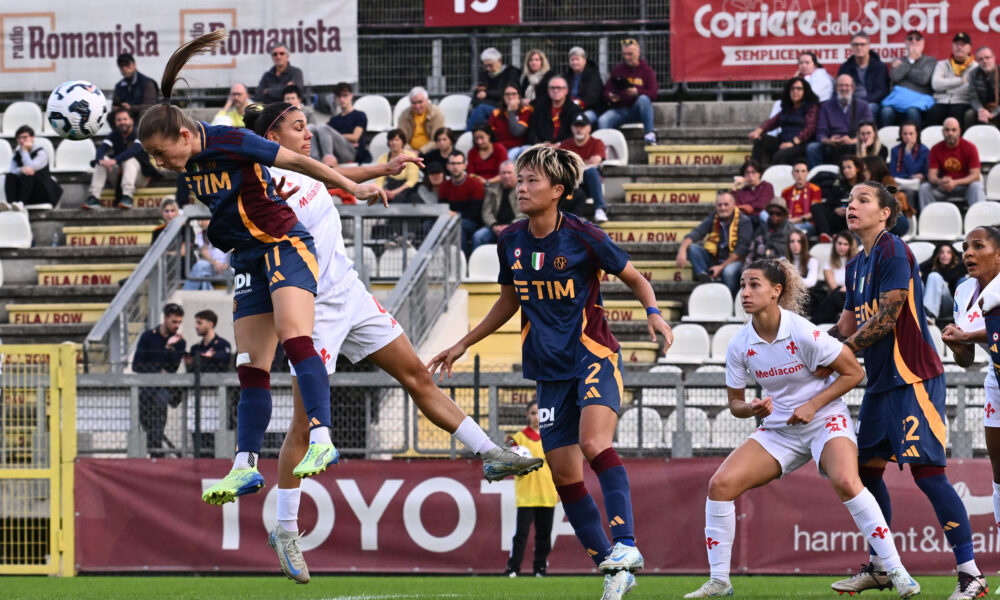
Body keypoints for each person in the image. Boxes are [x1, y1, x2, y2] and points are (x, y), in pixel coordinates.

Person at [246, 103, 542, 582]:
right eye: (298, 128)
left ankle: (490, 454)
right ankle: (285, 529)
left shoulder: (312, 170)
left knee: (418, 376)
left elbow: (338, 172)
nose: (308, 136)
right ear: (270, 135)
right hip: (310, 310)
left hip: (352, 296)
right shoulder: (258, 183)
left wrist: (383, 168)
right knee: (303, 426)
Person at [137, 30, 386, 505]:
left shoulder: (232, 140)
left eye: (160, 152)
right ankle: (244, 467)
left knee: (295, 339)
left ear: (185, 136)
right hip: (249, 257)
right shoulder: (186, 162)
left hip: (286, 244)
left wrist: (357, 187)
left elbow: (301, 163)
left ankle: (322, 440)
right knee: (251, 365)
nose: (157, 162)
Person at [429, 145, 674, 600]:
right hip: (548, 370)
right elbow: (509, 300)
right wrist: (463, 342)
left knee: (595, 442)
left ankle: (626, 545)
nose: (521, 188)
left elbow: (637, 278)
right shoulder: (509, 239)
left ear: (558, 191)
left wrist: (654, 314)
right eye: (519, 180)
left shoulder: (584, 236)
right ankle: (612, 568)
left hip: (593, 355)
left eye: (531, 181)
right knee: (564, 475)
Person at [684, 259, 918, 599]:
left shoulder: (802, 332)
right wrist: (750, 407)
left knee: (847, 481)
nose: (745, 292)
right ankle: (719, 581)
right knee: (720, 485)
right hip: (780, 429)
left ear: (776, 291)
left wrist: (812, 405)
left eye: (754, 285)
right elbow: (735, 404)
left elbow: (854, 373)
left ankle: (896, 570)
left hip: (825, 419)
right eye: (743, 285)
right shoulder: (739, 344)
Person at [829, 180, 987, 600]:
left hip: (914, 376)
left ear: (885, 212)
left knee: (928, 472)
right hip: (881, 384)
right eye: (849, 201)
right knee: (866, 473)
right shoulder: (854, 264)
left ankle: (970, 574)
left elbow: (889, 314)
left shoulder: (892, 248)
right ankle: (881, 565)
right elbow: (846, 325)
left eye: (862, 200)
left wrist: (839, 352)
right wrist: (807, 349)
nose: (852, 206)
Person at [965, 230, 1000, 560]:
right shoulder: (966, 292)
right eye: (965, 247)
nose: (968, 253)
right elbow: (965, 360)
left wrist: (970, 333)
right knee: (999, 471)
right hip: (997, 379)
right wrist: (960, 340)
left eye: (978, 246)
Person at [504, 400, 558, 578]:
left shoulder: (552, 436)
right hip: (526, 494)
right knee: (521, 534)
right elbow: (509, 463)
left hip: (547, 492)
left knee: (544, 535)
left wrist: (559, 489)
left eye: (540, 413)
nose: (537, 417)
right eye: (533, 413)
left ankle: (540, 568)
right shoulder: (518, 438)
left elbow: (557, 466)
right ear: (528, 415)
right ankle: (513, 568)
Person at [132, 303, 186, 454]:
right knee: (148, 424)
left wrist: (169, 349)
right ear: (165, 318)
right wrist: (157, 369)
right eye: (174, 321)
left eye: (179, 322)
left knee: (159, 407)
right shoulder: (148, 336)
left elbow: (172, 369)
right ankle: (156, 449)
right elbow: (136, 365)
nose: (177, 325)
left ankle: (156, 451)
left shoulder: (179, 342)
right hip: (146, 389)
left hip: (163, 389)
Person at [676, 191, 753, 294]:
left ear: (733, 205)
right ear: (716, 206)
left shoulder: (744, 221)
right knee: (692, 248)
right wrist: (682, 250)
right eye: (720, 205)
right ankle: (706, 279)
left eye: (726, 204)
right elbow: (696, 233)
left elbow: (741, 250)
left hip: (736, 261)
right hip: (715, 260)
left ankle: (731, 300)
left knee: (728, 272)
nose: (723, 208)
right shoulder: (714, 218)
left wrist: (721, 267)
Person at [84, 108, 154, 210]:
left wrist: (115, 161)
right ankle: (94, 197)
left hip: (140, 177)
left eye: (125, 119)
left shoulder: (139, 133)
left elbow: (134, 150)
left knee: (129, 160)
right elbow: (102, 149)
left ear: (131, 120)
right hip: (119, 176)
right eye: (119, 120)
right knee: (102, 161)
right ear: (116, 122)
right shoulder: (114, 135)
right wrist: (101, 160)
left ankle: (127, 196)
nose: (122, 122)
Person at [598, 38, 658, 145]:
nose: (627, 57)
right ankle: (603, 150)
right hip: (620, 111)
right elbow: (605, 90)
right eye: (624, 54)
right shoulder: (617, 70)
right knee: (603, 120)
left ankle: (650, 135)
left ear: (638, 53)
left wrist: (636, 92)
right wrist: (610, 96)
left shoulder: (647, 71)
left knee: (643, 99)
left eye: (630, 54)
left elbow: (653, 94)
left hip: (637, 111)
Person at [917, 117, 985, 211]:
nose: (950, 133)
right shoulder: (936, 149)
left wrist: (955, 182)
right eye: (947, 130)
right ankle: (928, 220)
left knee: (977, 186)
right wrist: (940, 181)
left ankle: (981, 221)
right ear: (943, 131)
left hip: (965, 187)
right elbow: (932, 176)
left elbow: (975, 175)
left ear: (959, 131)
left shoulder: (970, 147)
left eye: (954, 130)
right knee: (925, 188)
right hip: (944, 186)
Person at [806, 75, 875, 168]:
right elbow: (820, 132)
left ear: (853, 88)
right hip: (832, 145)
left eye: (847, 85)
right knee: (812, 148)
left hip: (854, 143)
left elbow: (870, 131)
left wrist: (852, 141)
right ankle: (819, 178)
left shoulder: (863, 106)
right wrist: (828, 141)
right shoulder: (826, 107)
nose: (844, 88)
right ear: (835, 88)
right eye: (840, 86)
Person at [749, 77, 819, 166]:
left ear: (805, 91)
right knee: (760, 139)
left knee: (779, 156)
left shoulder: (811, 107)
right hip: (783, 141)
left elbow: (810, 128)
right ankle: (754, 170)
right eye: (792, 89)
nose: (795, 91)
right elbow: (773, 121)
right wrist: (758, 131)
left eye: (799, 89)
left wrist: (792, 143)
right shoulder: (787, 107)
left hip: (800, 144)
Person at [880, 31, 936, 128]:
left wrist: (905, 66)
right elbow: (895, 76)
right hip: (898, 102)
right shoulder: (898, 60)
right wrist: (910, 61)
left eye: (918, 39)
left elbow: (923, 78)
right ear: (905, 43)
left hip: (918, 103)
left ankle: (917, 141)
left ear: (923, 43)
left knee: (912, 111)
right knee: (886, 111)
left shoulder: (930, 61)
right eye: (910, 39)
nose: (914, 41)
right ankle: (886, 142)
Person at [559, 113, 608, 222]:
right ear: (572, 128)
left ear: (589, 128)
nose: (579, 129)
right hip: (572, 184)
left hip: (589, 183)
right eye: (576, 126)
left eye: (582, 126)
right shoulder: (565, 145)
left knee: (591, 171)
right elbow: (560, 165)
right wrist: (585, 162)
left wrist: (573, 164)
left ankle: (600, 209)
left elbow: (596, 161)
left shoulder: (597, 143)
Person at [438, 150, 487, 256]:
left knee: (458, 226)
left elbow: (475, 214)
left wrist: (456, 215)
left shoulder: (475, 184)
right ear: (447, 166)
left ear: (465, 166)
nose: (456, 167)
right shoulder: (443, 186)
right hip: (450, 220)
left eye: (459, 163)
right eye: (452, 163)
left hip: (472, 222)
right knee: (429, 224)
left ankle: (461, 262)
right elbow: (442, 208)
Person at [4, 125, 62, 210]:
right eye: (19, 138)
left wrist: (24, 151)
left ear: (32, 137)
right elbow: (13, 171)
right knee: (10, 176)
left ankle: (21, 203)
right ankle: (11, 203)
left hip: (41, 192)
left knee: (28, 174)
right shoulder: (16, 155)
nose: (21, 140)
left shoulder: (41, 153)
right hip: (25, 192)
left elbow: (30, 167)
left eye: (24, 137)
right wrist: (21, 169)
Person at [312, 82, 370, 167]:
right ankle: (314, 162)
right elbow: (326, 138)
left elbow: (355, 137)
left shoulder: (360, 115)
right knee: (311, 128)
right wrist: (333, 136)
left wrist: (333, 136)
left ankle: (329, 161)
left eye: (345, 95)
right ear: (335, 98)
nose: (342, 99)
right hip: (337, 151)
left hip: (353, 152)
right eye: (339, 96)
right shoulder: (334, 119)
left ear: (351, 96)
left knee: (323, 128)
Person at [838, 34, 890, 125]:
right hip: (851, 101)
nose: (859, 47)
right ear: (851, 47)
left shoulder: (879, 66)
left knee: (870, 108)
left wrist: (863, 103)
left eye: (862, 44)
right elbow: (839, 88)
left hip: (873, 102)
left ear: (868, 46)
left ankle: (870, 137)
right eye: (856, 45)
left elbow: (882, 91)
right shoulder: (845, 67)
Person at [928, 33, 977, 128]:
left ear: (969, 48)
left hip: (962, 102)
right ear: (952, 46)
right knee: (933, 114)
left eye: (962, 44)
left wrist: (946, 86)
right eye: (956, 44)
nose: (959, 47)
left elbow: (968, 90)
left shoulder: (975, 67)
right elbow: (936, 85)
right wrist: (960, 81)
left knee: (956, 115)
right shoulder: (942, 64)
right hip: (941, 101)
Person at [473, 160, 525, 248]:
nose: (506, 176)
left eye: (509, 172)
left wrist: (510, 226)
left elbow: (525, 213)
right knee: (478, 236)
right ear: (499, 175)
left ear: (516, 174)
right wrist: (493, 225)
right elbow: (486, 212)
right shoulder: (491, 189)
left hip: (516, 227)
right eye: (503, 173)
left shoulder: (523, 189)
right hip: (495, 228)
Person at [467, 47, 521, 130]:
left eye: (490, 65)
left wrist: (487, 94)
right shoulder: (484, 74)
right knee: (475, 111)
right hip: (486, 105)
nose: (488, 68)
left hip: (502, 106)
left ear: (499, 61)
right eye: (486, 66)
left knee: (480, 110)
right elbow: (477, 93)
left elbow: (507, 92)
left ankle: (468, 134)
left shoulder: (511, 73)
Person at [811, 155, 861, 243]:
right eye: (844, 168)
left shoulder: (864, 186)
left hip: (854, 220)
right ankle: (826, 235)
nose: (846, 170)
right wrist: (835, 209)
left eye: (849, 167)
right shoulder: (838, 185)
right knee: (816, 207)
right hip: (838, 219)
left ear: (857, 168)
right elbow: (828, 204)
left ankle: (840, 236)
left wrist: (849, 210)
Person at [812, 230, 857, 324]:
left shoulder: (856, 262)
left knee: (834, 297)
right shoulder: (829, 264)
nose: (842, 247)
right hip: (837, 295)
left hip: (852, 298)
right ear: (835, 244)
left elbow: (854, 284)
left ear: (850, 246)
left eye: (845, 244)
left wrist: (844, 289)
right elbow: (833, 286)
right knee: (827, 297)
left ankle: (814, 323)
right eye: (839, 243)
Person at [528, 75, 583, 146]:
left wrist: (559, 145)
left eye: (559, 88)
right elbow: (532, 131)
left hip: (565, 149)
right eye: (552, 88)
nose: (555, 90)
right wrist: (540, 144)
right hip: (541, 148)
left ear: (566, 91)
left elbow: (575, 134)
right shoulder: (539, 108)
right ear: (548, 90)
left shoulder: (575, 110)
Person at [922, 243, 968, 324]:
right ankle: (929, 316)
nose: (945, 255)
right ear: (937, 255)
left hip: (950, 305)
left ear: (953, 255)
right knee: (933, 276)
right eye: (942, 252)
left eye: (948, 252)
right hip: (933, 303)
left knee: (963, 280)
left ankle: (964, 317)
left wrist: (944, 282)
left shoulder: (960, 267)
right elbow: (919, 267)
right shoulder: (930, 268)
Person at [743, 198, 794, 265]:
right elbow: (751, 253)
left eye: (778, 214)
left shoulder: (790, 231)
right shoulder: (762, 229)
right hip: (758, 265)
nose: (774, 216)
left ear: (784, 215)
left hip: (779, 267)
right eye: (771, 213)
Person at [375, 129, 420, 204]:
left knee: (399, 199)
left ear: (403, 142)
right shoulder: (383, 158)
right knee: (374, 199)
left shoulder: (411, 156)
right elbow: (379, 181)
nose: (393, 143)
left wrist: (394, 192)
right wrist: (383, 192)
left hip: (406, 191)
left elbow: (412, 181)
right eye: (391, 140)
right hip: (388, 191)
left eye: (397, 140)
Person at [184, 217, 229, 290]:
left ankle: (185, 294)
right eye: (198, 221)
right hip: (212, 268)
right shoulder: (201, 234)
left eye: (202, 220)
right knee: (203, 273)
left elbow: (234, 251)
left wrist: (226, 265)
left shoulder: (226, 232)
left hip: (228, 269)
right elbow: (204, 251)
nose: (200, 223)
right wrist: (215, 264)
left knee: (201, 267)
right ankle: (209, 293)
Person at [489, 86, 532, 161]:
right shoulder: (496, 113)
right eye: (507, 94)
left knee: (527, 150)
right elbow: (490, 136)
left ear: (519, 96)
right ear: (503, 97)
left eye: (514, 94)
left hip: (519, 149)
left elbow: (517, 132)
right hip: (501, 149)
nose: (511, 97)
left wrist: (511, 112)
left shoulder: (526, 111)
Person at [397, 87, 445, 155]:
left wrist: (420, 152)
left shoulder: (436, 113)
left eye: (420, 102)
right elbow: (401, 138)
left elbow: (437, 139)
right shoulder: (405, 115)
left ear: (427, 100)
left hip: (430, 151)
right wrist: (410, 151)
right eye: (414, 103)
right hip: (409, 152)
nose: (417, 106)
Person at [564, 46, 604, 123]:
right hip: (571, 108)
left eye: (577, 59)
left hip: (591, 109)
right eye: (572, 60)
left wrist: (574, 104)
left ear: (584, 60)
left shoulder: (593, 75)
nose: (575, 62)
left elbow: (591, 98)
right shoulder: (567, 76)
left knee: (579, 119)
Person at [782, 160, 822, 235]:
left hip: (807, 224)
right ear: (792, 174)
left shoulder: (815, 189)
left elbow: (815, 212)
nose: (800, 174)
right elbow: (782, 211)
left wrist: (796, 220)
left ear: (808, 173)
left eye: (803, 171)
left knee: (791, 229)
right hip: (788, 223)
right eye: (797, 171)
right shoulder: (785, 191)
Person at [971, 46, 1000, 125]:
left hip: (998, 109)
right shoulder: (974, 74)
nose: (984, 61)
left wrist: (994, 113)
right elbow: (973, 97)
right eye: (980, 59)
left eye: (987, 57)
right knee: (969, 115)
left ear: (994, 58)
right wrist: (980, 110)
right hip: (983, 110)